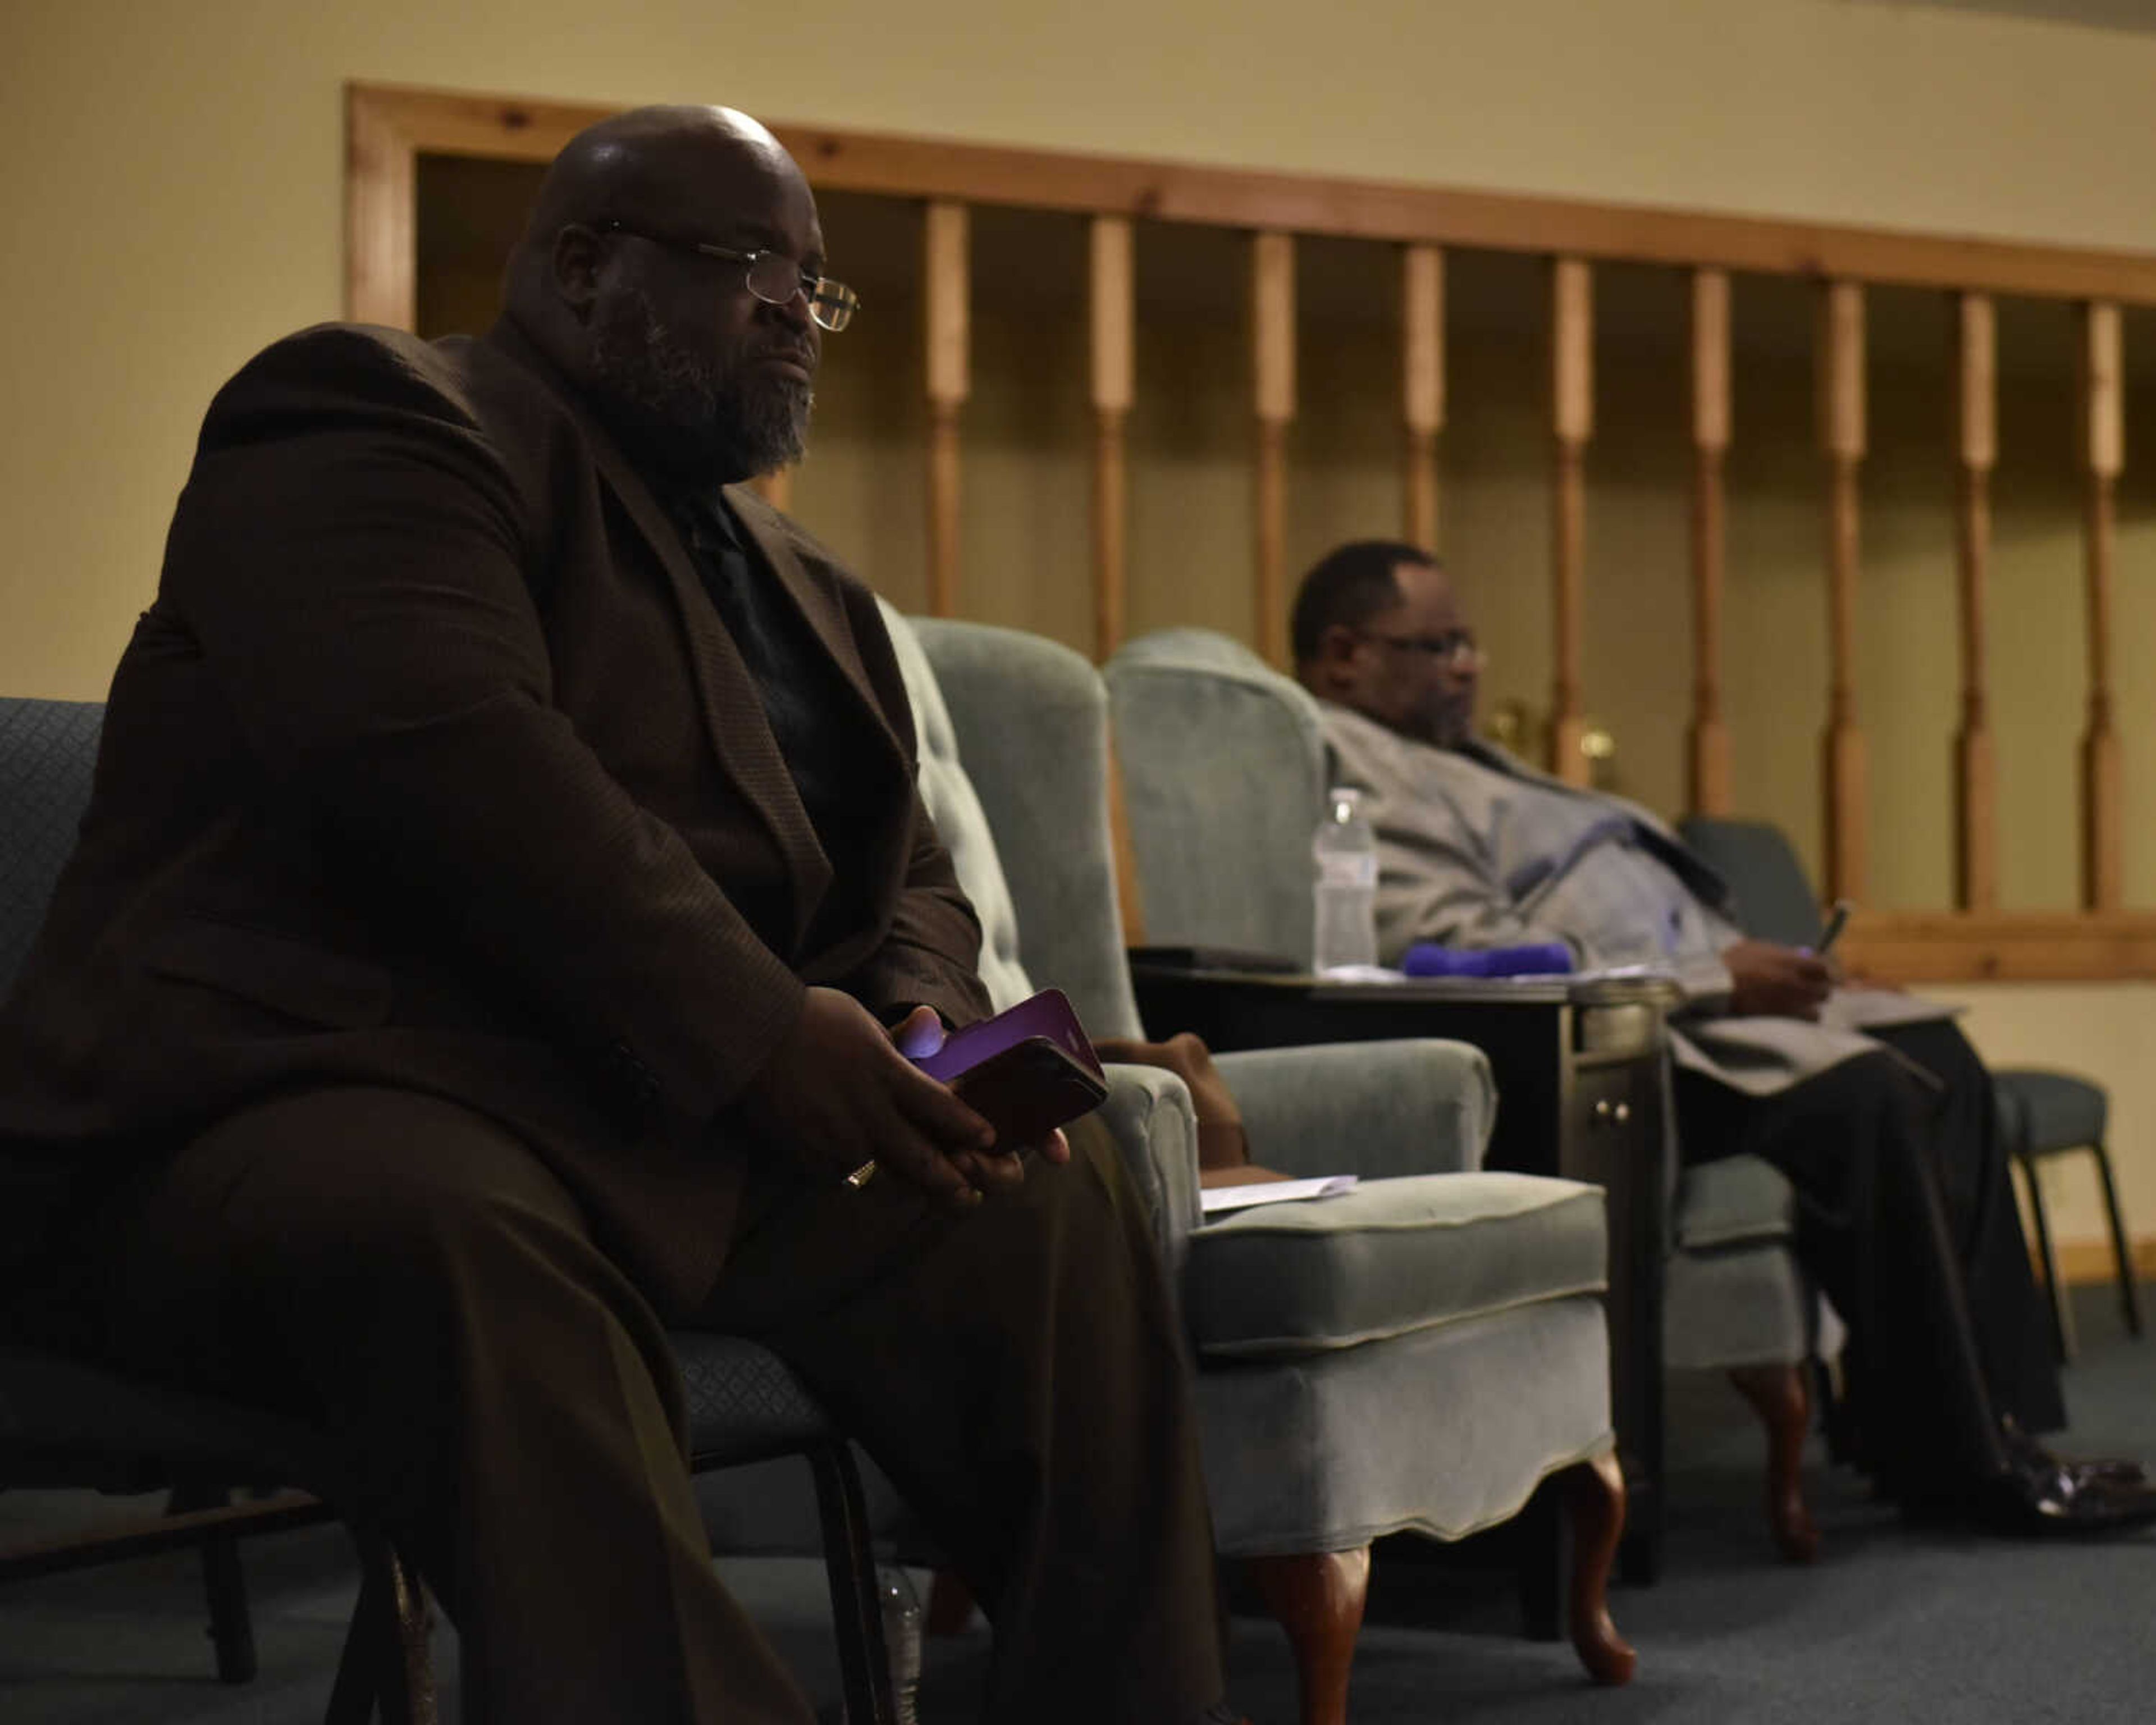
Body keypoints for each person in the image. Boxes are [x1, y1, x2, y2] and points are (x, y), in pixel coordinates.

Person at [0, 107, 1244, 1724]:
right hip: (288, 1099)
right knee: (472, 1233)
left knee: (1036, 1212)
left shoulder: (807, 580)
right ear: (586, 268)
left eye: (818, 285)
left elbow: (907, 871)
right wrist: (757, 1031)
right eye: (757, 269)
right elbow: (450, 761)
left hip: (648, 1125)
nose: (801, 311)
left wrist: (926, 1027)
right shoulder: (371, 420)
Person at [1290, 538, 2155, 1536]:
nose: (1469, 666)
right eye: (1435, 645)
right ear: (1344, 654)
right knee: (1871, 1094)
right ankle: (1972, 1466)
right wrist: (1714, 978)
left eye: (1469, 643)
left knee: (1939, 1050)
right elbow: (1455, 948)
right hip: (1632, 1042)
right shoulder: (1352, 766)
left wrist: (1780, 968)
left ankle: (1982, 1432)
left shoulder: (1451, 757)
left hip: (1692, 997)